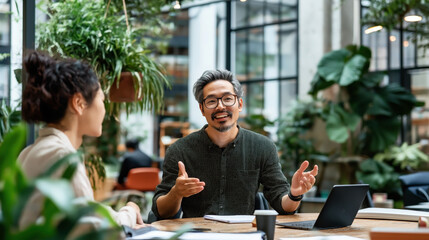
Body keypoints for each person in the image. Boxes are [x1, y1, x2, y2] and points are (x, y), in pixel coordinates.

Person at [152, 69, 318, 219]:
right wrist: (176, 193)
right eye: (211, 101)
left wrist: (295, 194)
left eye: (227, 99)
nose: (220, 106)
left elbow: (283, 207)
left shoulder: (263, 147)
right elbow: (161, 212)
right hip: (197, 235)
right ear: (202, 109)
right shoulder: (179, 151)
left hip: (244, 235)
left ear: (239, 103)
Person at [18, 51, 144, 229]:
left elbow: (87, 210)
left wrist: (127, 211)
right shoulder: (61, 156)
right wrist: (129, 212)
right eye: (101, 98)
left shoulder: (32, 152)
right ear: (78, 103)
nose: (104, 109)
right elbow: (95, 229)